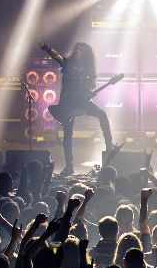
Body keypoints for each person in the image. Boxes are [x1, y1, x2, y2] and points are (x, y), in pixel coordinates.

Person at [41, 41, 114, 175]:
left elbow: (92, 86)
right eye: (78, 49)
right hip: (67, 103)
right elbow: (57, 57)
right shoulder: (68, 63)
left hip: (82, 101)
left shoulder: (90, 69)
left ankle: (110, 145)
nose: (79, 51)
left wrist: (89, 90)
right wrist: (47, 49)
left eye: (82, 50)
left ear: (86, 54)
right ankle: (69, 167)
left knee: (102, 114)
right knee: (68, 135)